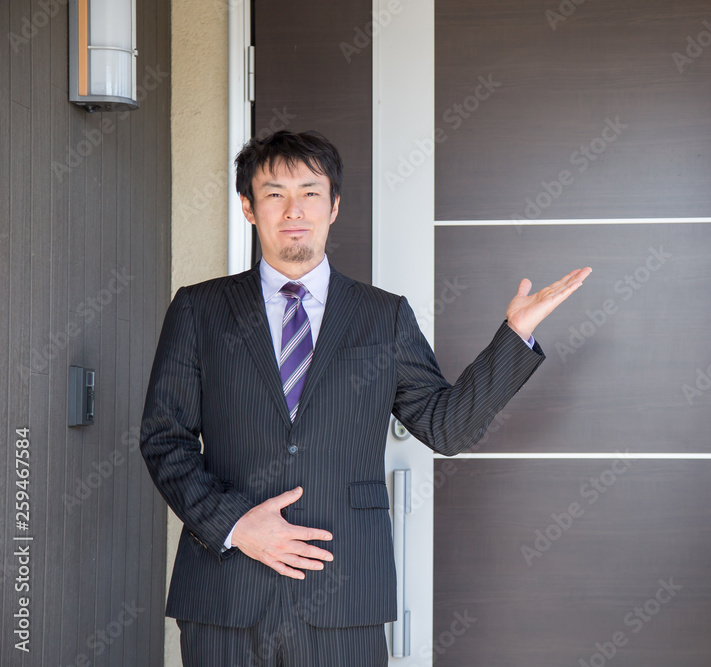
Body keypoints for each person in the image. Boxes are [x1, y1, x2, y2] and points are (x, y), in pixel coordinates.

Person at [140, 130, 591, 666]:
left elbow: (446, 427)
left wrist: (514, 336)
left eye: (310, 193)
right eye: (274, 193)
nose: (294, 210)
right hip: (226, 593)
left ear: (333, 206)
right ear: (248, 207)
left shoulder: (383, 315)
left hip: (343, 594)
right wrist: (236, 526)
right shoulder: (198, 310)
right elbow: (164, 439)